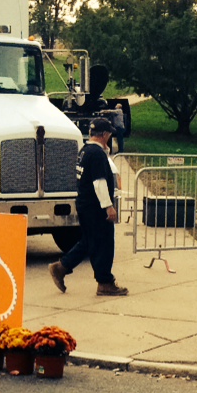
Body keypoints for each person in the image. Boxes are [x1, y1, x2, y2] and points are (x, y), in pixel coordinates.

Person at [57, 124, 126, 296]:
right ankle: (105, 282)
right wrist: (108, 207)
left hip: (85, 204)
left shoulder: (85, 150)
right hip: (96, 208)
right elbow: (99, 182)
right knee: (105, 244)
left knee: (89, 242)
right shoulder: (97, 155)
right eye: (109, 135)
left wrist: (106, 152)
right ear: (104, 134)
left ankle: (61, 267)